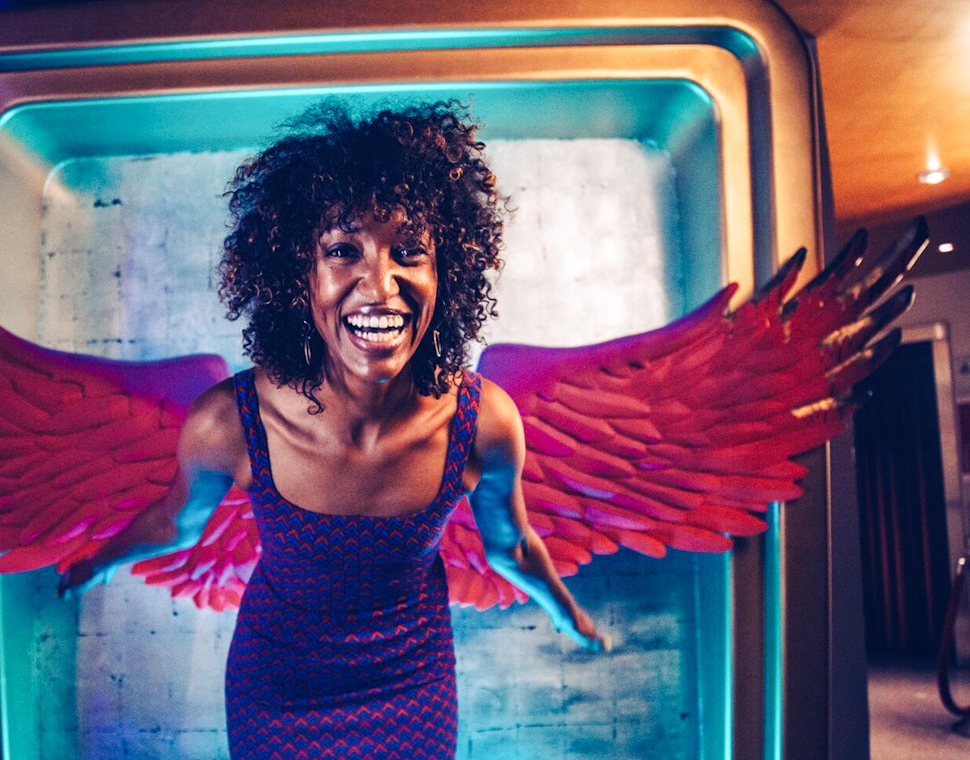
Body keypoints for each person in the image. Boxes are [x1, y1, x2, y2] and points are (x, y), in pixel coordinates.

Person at [68, 100, 603, 759]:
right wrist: (93, 565)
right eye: (344, 251)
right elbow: (175, 524)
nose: (380, 286)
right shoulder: (229, 424)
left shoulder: (482, 422)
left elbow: (511, 546)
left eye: (410, 252)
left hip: (413, 685)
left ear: (447, 274)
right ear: (300, 276)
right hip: (279, 689)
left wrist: (566, 614)